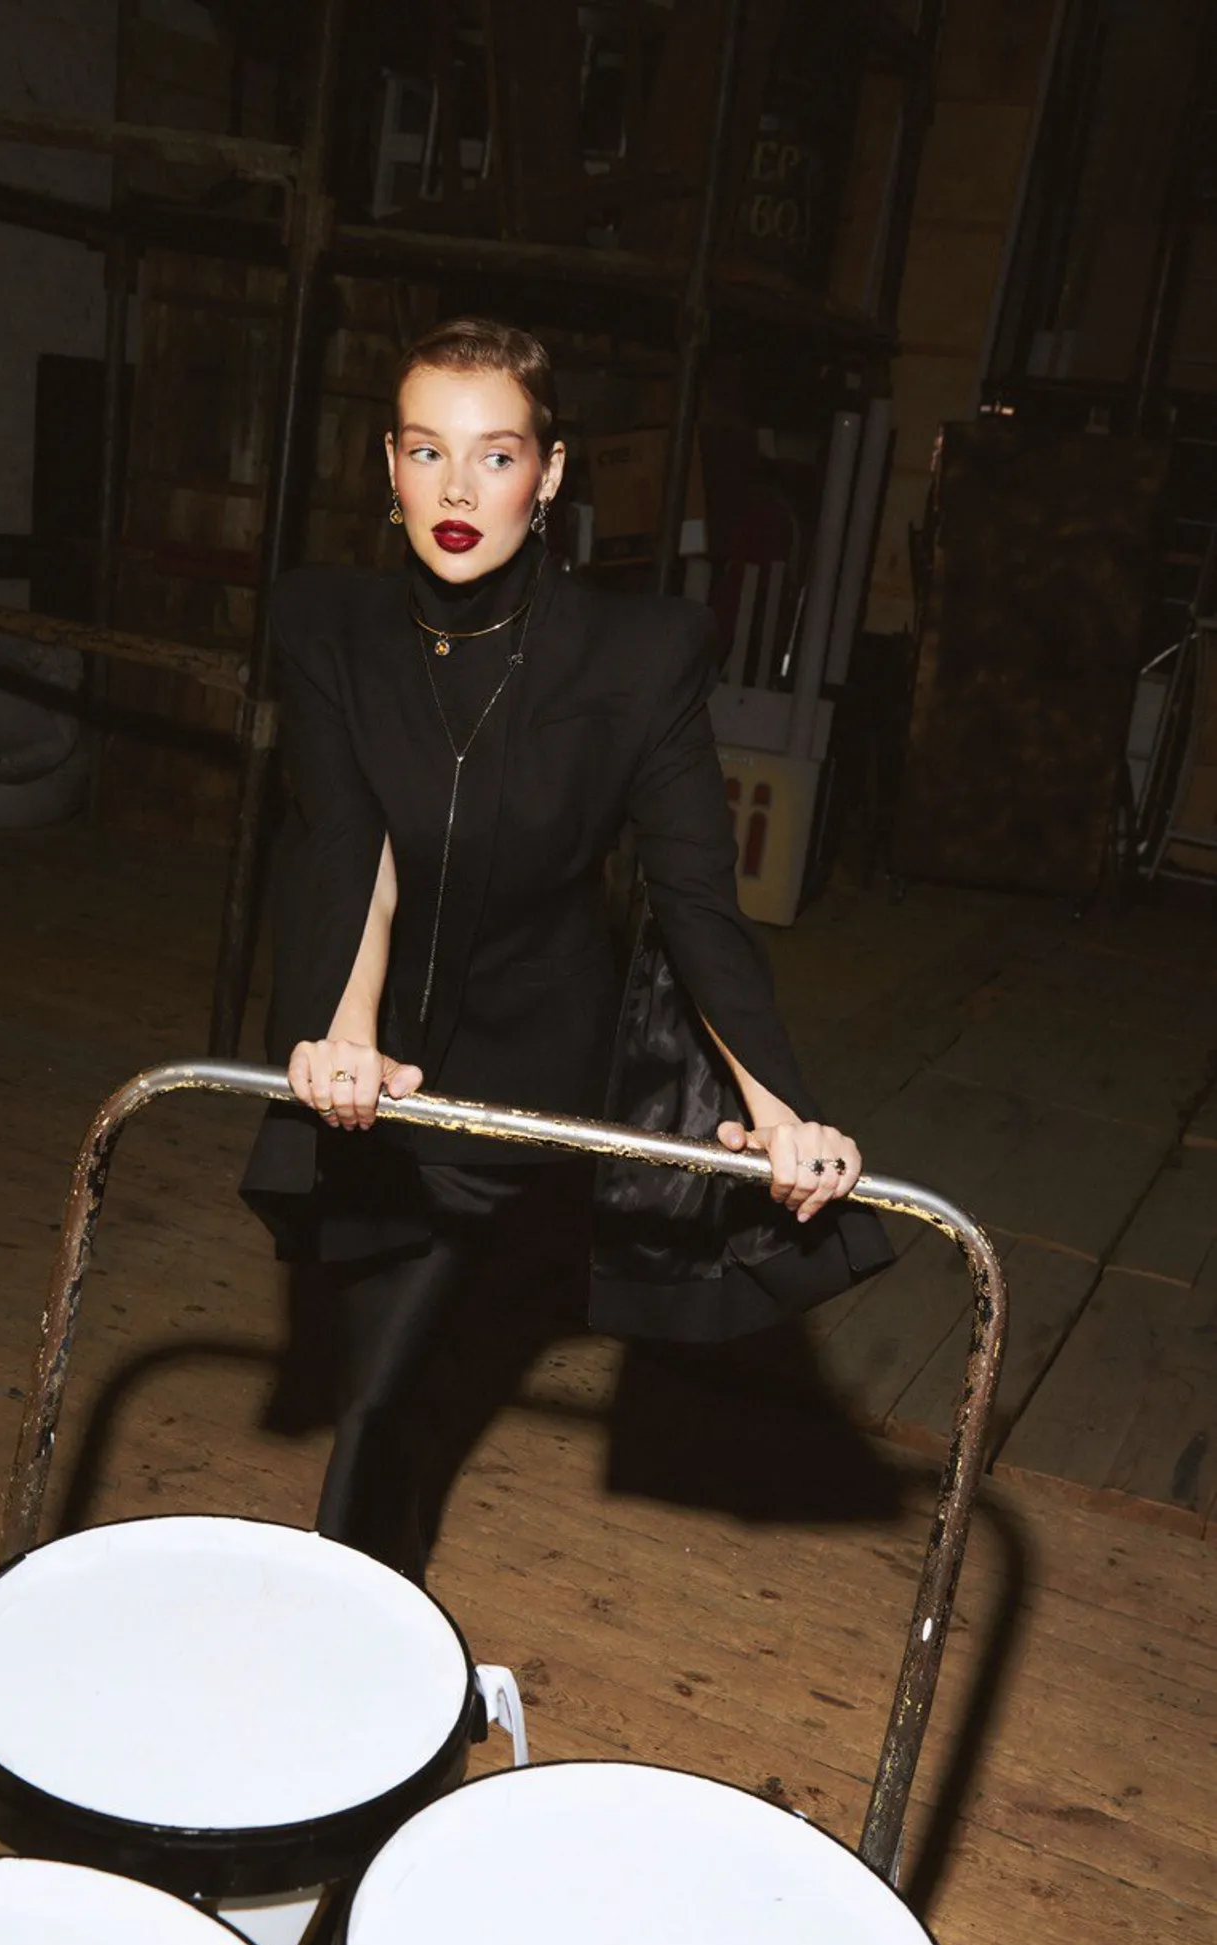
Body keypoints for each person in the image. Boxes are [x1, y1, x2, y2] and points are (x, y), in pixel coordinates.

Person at [241, 318, 889, 1582]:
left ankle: (358, 1643)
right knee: (384, 1381)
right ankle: (372, 1621)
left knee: (378, 1399)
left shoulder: (636, 657)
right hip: (367, 1047)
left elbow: (695, 898)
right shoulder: (326, 625)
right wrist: (346, 1031)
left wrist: (781, 1110)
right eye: (427, 450)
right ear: (387, 465)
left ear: (549, 473)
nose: (457, 490)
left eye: (496, 456)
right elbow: (349, 846)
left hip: (523, 1055)